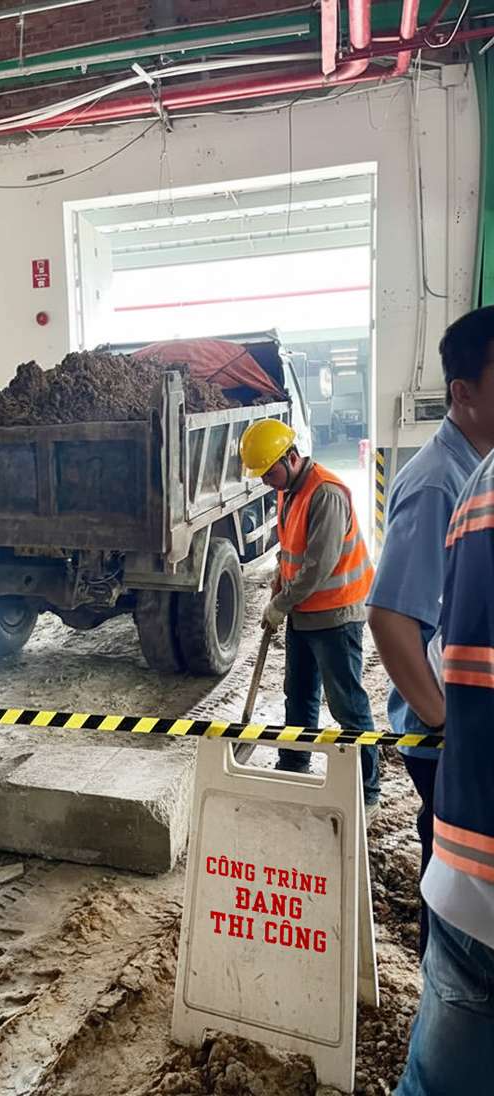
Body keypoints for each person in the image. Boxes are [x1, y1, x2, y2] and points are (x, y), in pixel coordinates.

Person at [368, 306, 494, 957]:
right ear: (463, 392)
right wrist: (445, 720)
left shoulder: (477, 467)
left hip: (463, 725)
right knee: (455, 875)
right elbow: (389, 618)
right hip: (444, 736)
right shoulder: (438, 483)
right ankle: (445, 986)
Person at [394, 446, 494, 1094]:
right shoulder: (442, 480)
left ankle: (367, 781)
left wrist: (440, 722)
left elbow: (438, 649)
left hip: (469, 875)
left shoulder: (475, 486)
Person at [240, 419, 379, 816]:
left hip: (336, 616)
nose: (266, 480)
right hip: (304, 614)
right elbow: (293, 548)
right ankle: (294, 764)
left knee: (347, 705)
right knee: (298, 693)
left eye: (269, 471)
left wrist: (280, 604)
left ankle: (367, 792)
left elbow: (319, 566)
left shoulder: (326, 493)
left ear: (291, 457)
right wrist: (279, 577)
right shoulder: (289, 489)